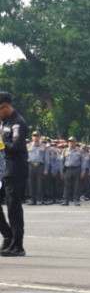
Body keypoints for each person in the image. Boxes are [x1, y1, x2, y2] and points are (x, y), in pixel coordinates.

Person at [0, 91, 29, 257]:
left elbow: (16, 147)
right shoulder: (4, 122)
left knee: (14, 208)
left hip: (15, 171)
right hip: (3, 171)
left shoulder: (18, 123)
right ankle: (8, 235)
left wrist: (1, 144)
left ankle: (18, 245)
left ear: (5, 107)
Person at [60, 137, 84, 206]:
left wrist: (83, 171)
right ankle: (65, 200)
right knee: (67, 185)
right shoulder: (65, 151)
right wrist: (61, 171)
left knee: (77, 185)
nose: (71, 143)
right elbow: (62, 161)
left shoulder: (80, 151)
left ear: (75, 142)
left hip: (77, 169)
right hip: (68, 169)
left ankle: (76, 200)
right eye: (70, 141)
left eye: (72, 141)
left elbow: (83, 161)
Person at [27, 131, 47, 205]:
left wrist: (46, 169)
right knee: (31, 183)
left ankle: (39, 199)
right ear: (32, 137)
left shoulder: (43, 146)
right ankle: (32, 198)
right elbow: (25, 157)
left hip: (40, 166)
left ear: (39, 137)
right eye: (34, 136)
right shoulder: (28, 146)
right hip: (31, 165)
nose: (36, 137)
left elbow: (46, 159)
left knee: (39, 183)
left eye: (37, 136)